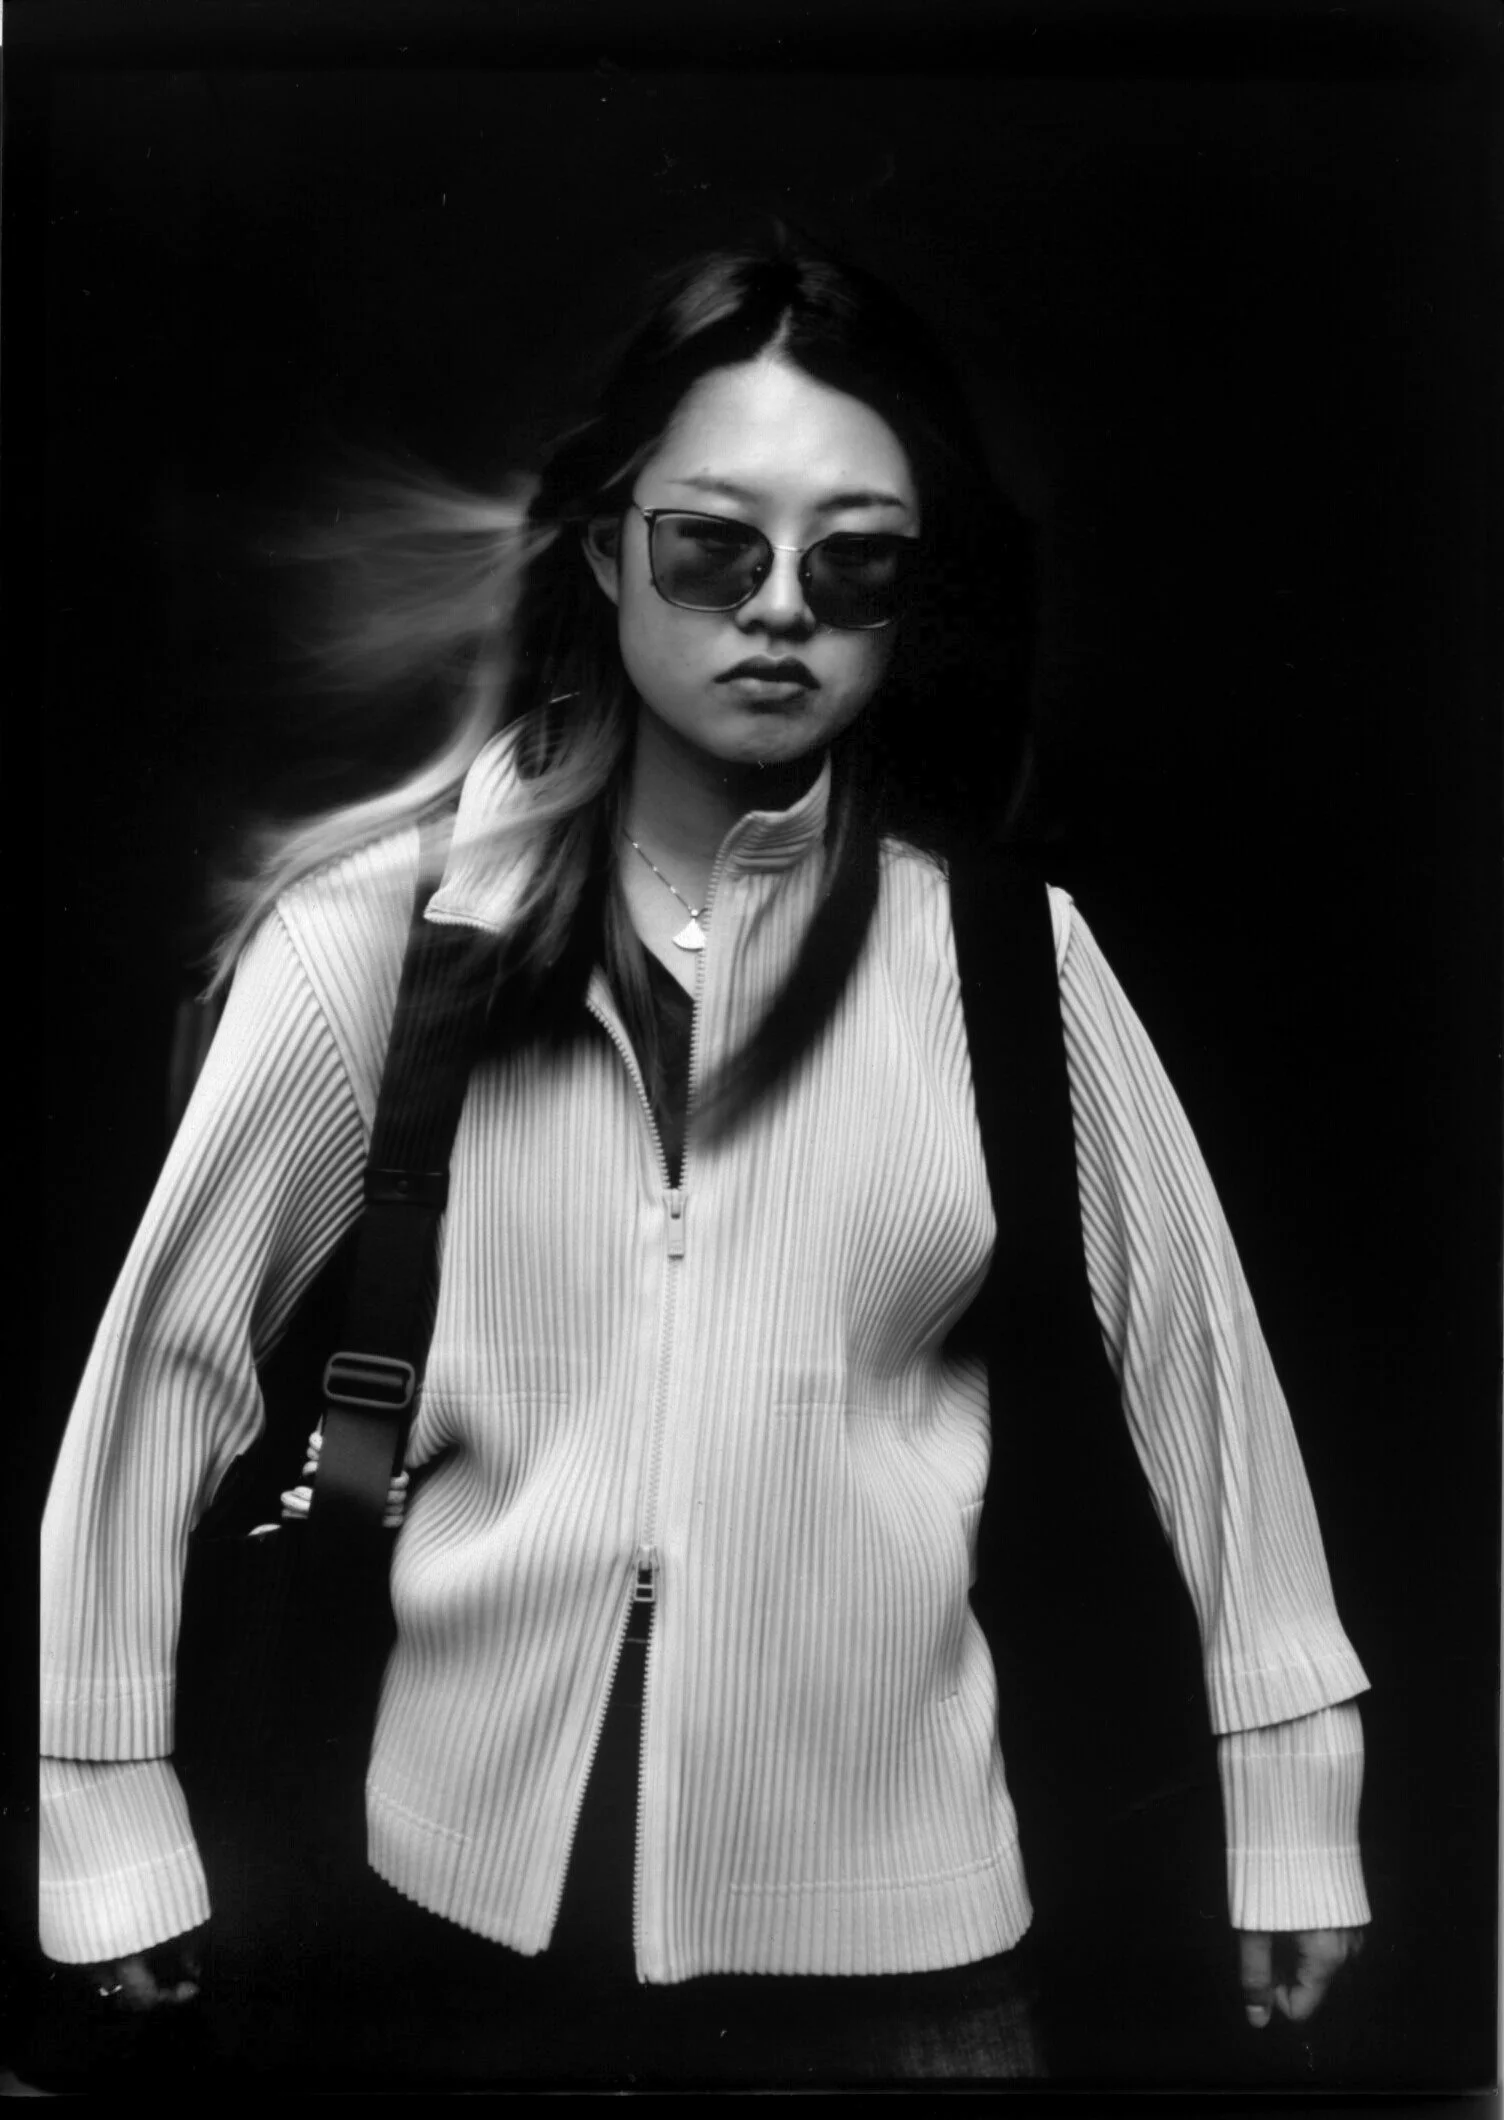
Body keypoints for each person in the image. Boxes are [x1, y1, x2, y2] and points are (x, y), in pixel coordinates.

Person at [37, 232, 1370, 2088]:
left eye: (855, 562)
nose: (781, 609)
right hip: (444, 1947)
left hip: (910, 1972)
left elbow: (1201, 1372)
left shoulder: (1003, 960)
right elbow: (162, 1373)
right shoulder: (379, 942)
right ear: (605, 549)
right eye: (713, 548)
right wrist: (99, 1800)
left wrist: (1294, 1789)